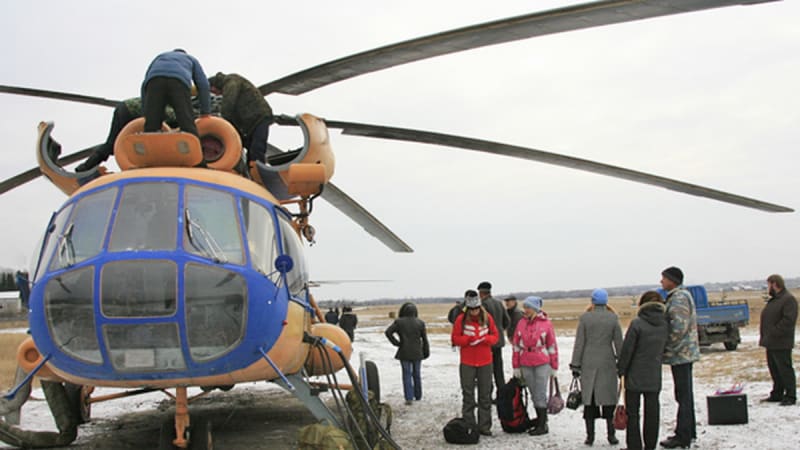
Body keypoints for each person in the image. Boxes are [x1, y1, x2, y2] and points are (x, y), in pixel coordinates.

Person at [569, 288, 623, 446]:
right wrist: (622, 363)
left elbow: (579, 343)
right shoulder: (613, 318)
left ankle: (590, 436)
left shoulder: (585, 318)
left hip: (588, 362)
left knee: (590, 401)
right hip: (607, 362)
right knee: (608, 400)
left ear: (592, 301)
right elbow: (619, 343)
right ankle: (611, 435)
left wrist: (575, 365)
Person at [618, 291, 668, 450]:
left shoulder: (637, 324)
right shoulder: (665, 324)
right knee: (652, 413)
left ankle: (634, 446)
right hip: (654, 374)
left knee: (633, 413)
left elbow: (627, 350)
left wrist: (621, 370)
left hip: (634, 375)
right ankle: (650, 445)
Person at [659, 266, 700, 449]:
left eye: (664, 278)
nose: (661, 281)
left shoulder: (679, 298)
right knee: (684, 395)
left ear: (672, 280)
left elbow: (678, 328)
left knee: (683, 396)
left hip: (681, 353)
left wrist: (665, 346)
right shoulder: (679, 296)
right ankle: (688, 431)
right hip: (683, 353)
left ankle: (683, 436)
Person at [451, 290, 498, 437]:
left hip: (485, 362)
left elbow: (495, 336)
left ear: (480, 307)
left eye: (476, 309)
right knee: (468, 395)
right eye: (471, 309)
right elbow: (455, 339)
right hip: (467, 362)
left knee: (485, 395)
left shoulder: (488, 318)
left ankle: (484, 426)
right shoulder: (461, 320)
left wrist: (486, 339)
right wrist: (467, 340)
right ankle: (469, 425)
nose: (474, 312)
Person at [511, 296, 558, 436]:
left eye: (528, 307)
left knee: (540, 393)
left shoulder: (546, 324)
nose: (525, 310)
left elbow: (552, 345)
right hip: (526, 362)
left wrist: (554, 366)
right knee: (533, 393)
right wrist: (516, 365)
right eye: (525, 307)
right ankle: (541, 420)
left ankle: (542, 424)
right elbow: (516, 345)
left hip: (542, 362)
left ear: (535, 309)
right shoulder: (521, 323)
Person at [141, 49, 210, 137]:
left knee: (152, 123)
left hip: (154, 81)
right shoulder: (191, 58)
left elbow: (144, 85)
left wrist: (145, 112)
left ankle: (150, 138)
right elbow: (203, 85)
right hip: (178, 82)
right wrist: (205, 112)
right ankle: (189, 137)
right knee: (185, 118)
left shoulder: (161, 56)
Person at [208, 72, 274, 163]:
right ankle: (251, 168)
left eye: (213, 91)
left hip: (259, 117)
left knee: (257, 148)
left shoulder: (231, 82)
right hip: (250, 122)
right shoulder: (231, 82)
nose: (216, 94)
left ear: (213, 86)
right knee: (250, 149)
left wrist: (223, 122)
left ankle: (257, 169)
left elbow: (229, 103)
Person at [759, 274, 798, 406]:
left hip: (781, 342)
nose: (768, 288)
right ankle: (777, 393)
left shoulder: (788, 299)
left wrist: (774, 332)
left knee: (784, 369)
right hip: (771, 342)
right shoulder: (774, 300)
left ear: (775, 284)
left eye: (769, 285)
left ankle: (790, 395)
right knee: (775, 370)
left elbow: (788, 321)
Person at [385, 302, 430, 405]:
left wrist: (397, 343)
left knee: (406, 374)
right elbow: (425, 339)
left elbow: (388, 332)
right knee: (417, 374)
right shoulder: (420, 323)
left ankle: (409, 397)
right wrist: (426, 351)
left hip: (404, 351)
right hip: (417, 352)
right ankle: (418, 395)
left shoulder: (399, 322)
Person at [477, 281, 510, 396]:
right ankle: (502, 395)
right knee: (499, 371)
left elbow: (481, 323)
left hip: (487, 342)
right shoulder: (499, 303)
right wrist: (499, 331)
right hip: (498, 341)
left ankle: (487, 396)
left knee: (487, 371)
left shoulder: (483, 305)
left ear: (481, 293)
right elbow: (507, 321)